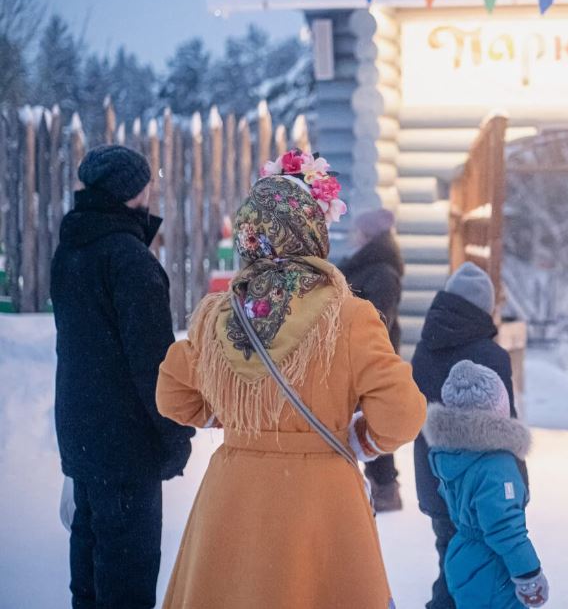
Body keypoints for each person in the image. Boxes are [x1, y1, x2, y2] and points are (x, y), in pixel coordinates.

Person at [156, 153, 427, 609]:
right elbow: (402, 414)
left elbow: (172, 397)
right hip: (321, 506)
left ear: (250, 234)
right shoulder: (350, 315)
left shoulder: (217, 315)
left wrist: (242, 416)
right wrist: (360, 438)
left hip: (233, 502)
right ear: (312, 232)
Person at [51, 144, 195, 608]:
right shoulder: (129, 261)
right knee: (126, 587)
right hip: (126, 448)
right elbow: (154, 363)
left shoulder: (73, 248)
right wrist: (175, 436)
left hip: (83, 438)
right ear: (133, 193)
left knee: (89, 581)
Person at [412, 261, 523, 609]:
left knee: (449, 561)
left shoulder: (424, 349)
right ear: (485, 307)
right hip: (484, 490)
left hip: (435, 477)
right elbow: (506, 426)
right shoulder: (492, 356)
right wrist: (519, 482)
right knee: (478, 577)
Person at [424, 360, 548, 608]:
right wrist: (528, 574)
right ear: (496, 409)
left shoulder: (453, 453)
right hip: (492, 564)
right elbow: (504, 527)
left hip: (462, 554)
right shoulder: (496, 464)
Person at [339, 206, 406, 512]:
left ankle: (385, 489)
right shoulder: (367, 265)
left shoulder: (382, 272)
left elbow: (379, 318)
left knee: (370, 419)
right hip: (357, 353)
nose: (353, 235)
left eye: (357, 230)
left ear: (367, 234)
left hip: (370, 356)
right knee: (363, 418)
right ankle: (380, 487)